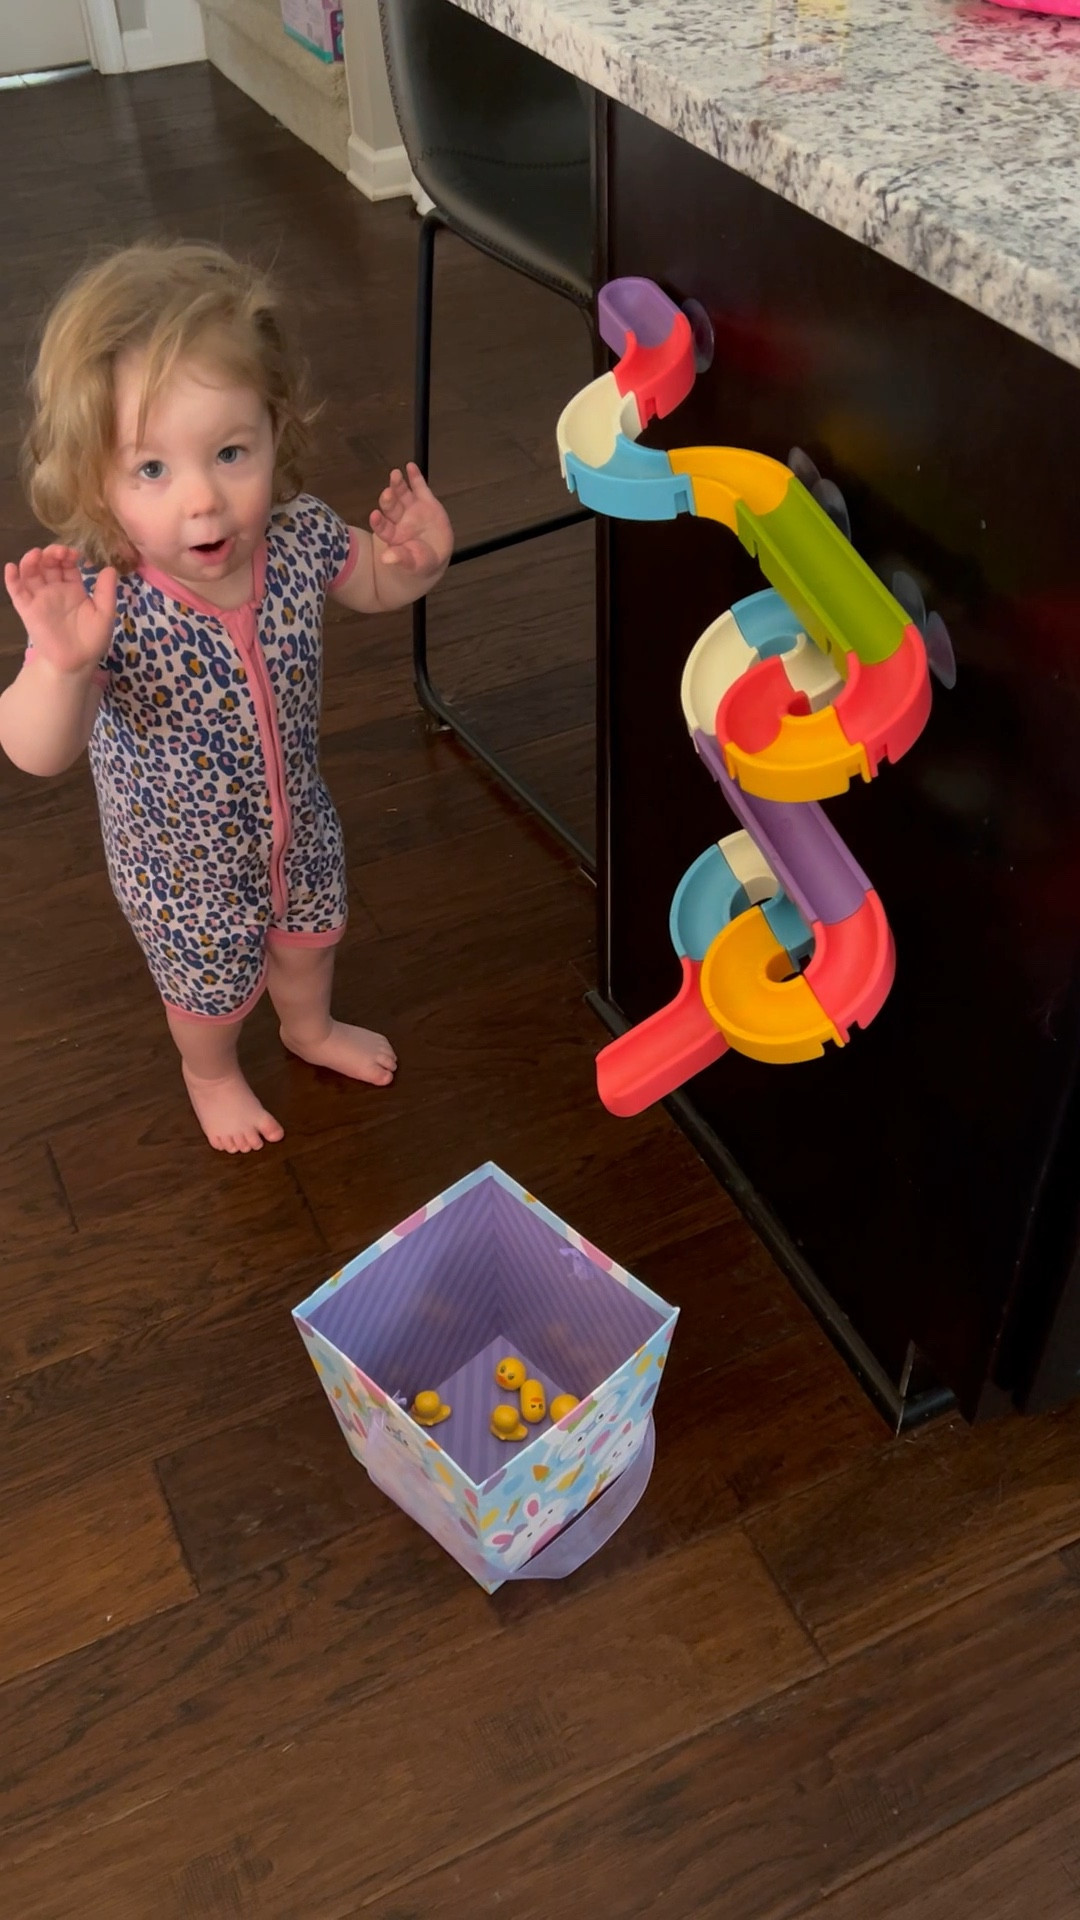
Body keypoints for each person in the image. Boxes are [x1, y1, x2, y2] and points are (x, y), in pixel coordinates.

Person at [0, 241, 453, 1153]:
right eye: (152, 471)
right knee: (206, 998)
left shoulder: (296, 537)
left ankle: (307, 1030)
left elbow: (368, 581)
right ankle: (208, 1072)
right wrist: (60, 665)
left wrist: (419, 563)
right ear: (95, 480)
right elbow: (35, 750)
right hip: (181, 870)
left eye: (231, 451)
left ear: (276, 431)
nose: (204, 500)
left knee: (310, 938)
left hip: (297, 820)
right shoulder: (103, 605)